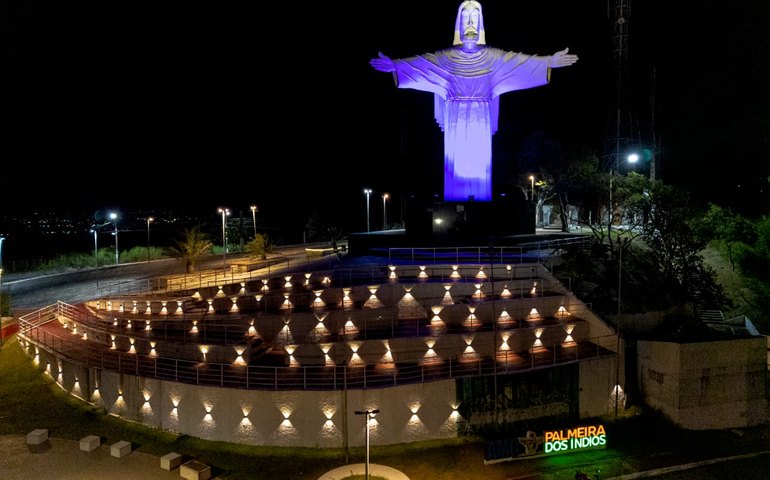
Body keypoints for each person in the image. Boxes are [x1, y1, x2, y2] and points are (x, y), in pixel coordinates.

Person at [371, 0, 578, 202]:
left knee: (480, 167)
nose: (470, 23)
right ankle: (456, 201)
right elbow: (421, 66)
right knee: (456, 166)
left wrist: (549, 61)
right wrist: (396, 66)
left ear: (481, 25)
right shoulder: (445, 58)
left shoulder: (493, 58)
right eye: (466, 18)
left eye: (474, 18)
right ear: (458, 25)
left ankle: (480, 202)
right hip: (456, 119)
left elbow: (520, 63)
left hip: (481, 117)